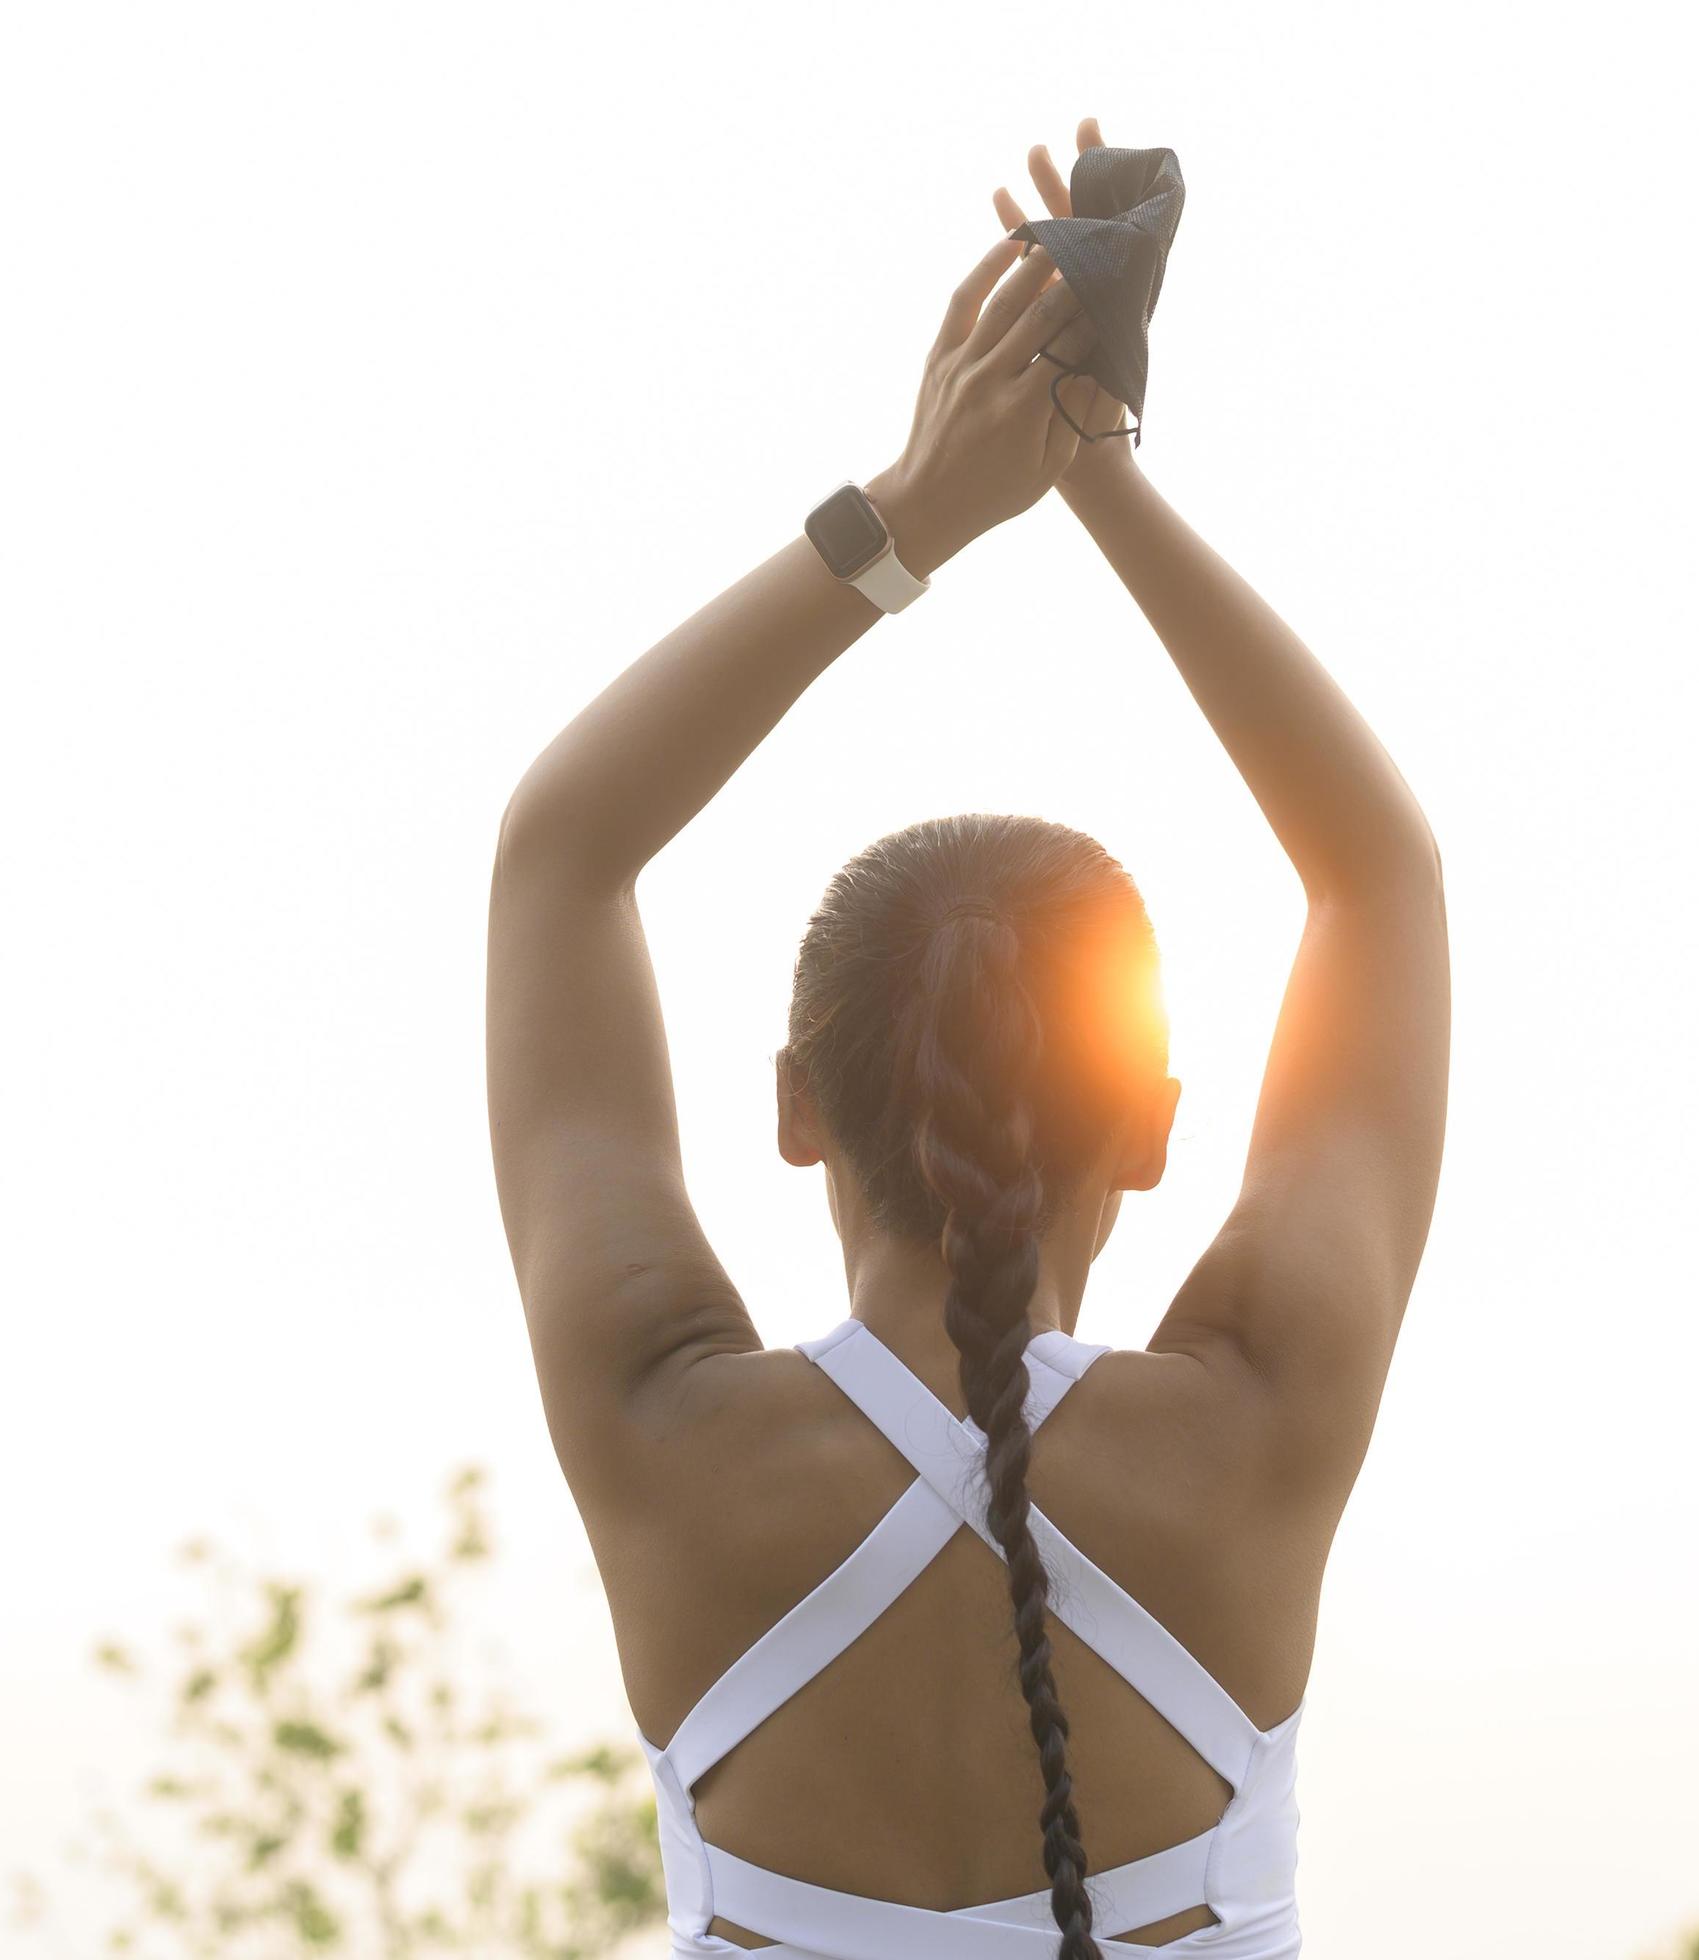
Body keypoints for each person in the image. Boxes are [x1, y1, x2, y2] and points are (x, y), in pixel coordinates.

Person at [484, 116, 1449, 1960]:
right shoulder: (1254, 1430)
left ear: (794, 1108)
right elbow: (1378, 881)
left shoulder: (666, 1432)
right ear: (1151, 1124)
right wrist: (1098, 469)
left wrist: (917, 510)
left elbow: (560, 857)